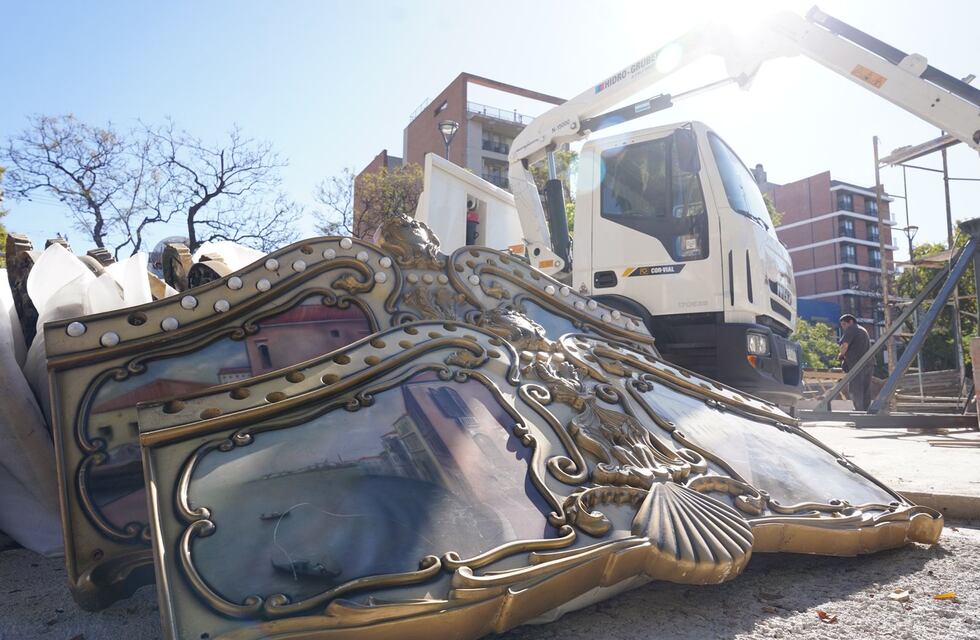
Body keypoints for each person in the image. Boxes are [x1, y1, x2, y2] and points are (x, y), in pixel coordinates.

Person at [838, 314, 872, 411]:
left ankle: (859, 410)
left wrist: (840, 355)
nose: (844, 327)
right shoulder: (863, 330)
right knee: (866, 388)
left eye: (844, 324)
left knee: (855, 388)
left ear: (851, 322)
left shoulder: (852, 329)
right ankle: (865, 410)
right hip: (869, 363)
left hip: (857, 364)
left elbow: (844, 345)